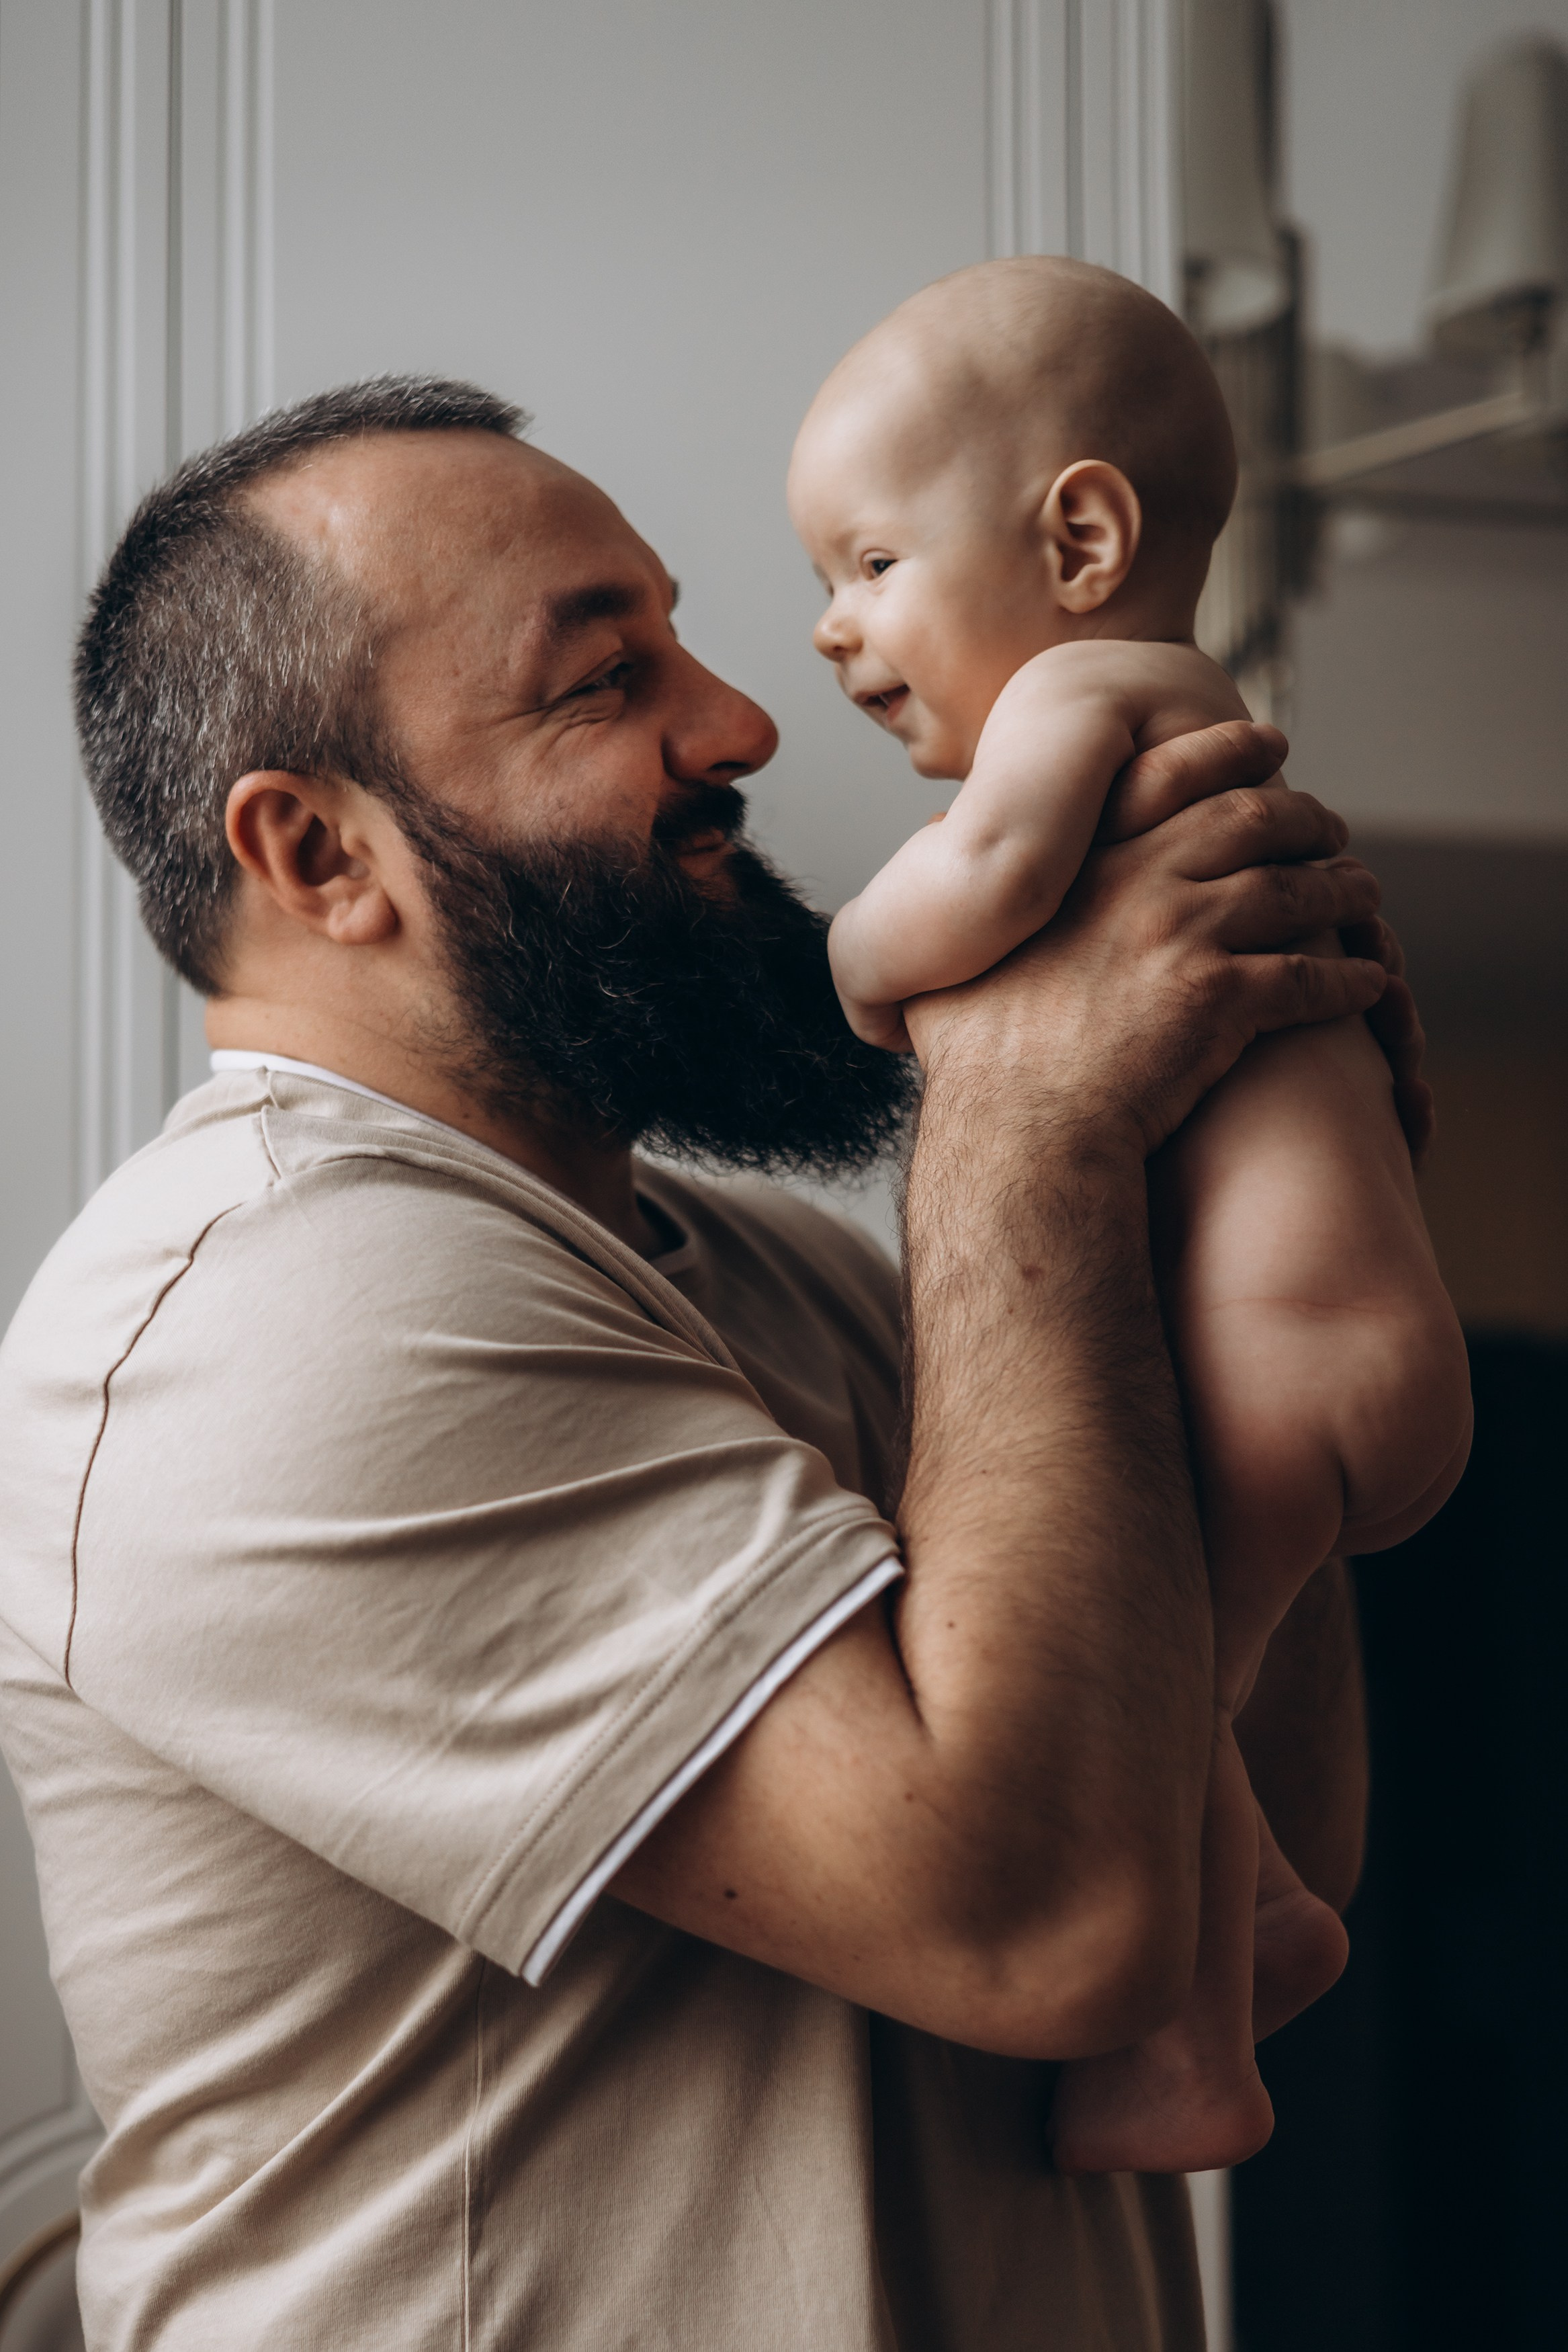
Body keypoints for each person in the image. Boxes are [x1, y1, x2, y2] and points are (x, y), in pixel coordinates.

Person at [0, 376, 1419, 2352]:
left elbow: (1258, 1853)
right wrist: (1027, 1119)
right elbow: (1044, 1923)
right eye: (605, 679)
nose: (743, 723)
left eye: (681, 641)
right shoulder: (261, 1313)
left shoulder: (806, 1282)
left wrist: (1229, 1211)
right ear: (318, 852)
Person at [787, 256, 1472, 2175]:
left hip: (1283, 1371)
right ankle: (1263, 1919)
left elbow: (980, 882)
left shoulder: (1086, 697)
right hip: (1354, 1349)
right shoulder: (1196, 734)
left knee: (1144, 1701)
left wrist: (848, 958)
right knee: (1191, 1691)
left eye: (870, 563)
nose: (833, 631)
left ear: (1081, 539)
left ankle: (1194, 2046)